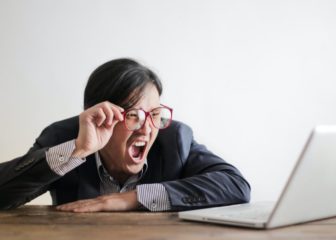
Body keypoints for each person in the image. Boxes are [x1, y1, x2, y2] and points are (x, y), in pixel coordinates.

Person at [0, 58, 250, 212]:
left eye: (154, 113)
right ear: (98, 116)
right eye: (133, 115)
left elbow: (236, 185)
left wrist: (130, 199)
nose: (146, 128)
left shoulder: (173, 138)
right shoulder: (63, 137)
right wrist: (77, 151)